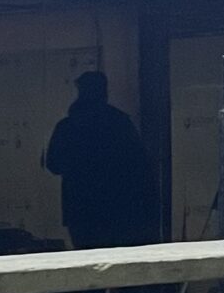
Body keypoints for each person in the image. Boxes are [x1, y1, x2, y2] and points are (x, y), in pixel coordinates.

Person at [44, 69, 158, 251]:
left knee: (86, 257)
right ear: (104, 92)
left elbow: (53, 164)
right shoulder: (120, 123)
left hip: (80, 208)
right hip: (118, 207)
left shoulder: (67, 126)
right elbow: (140, 165)